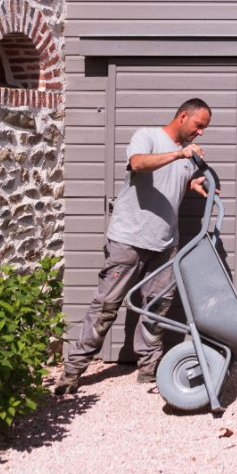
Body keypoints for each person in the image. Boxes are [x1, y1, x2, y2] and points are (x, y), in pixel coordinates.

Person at [55, 98, 212, 394]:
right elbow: (138, 163)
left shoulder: (186, 159)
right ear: (182, 117)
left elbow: (172, 180)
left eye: (204, 128)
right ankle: (72, 373)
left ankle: (149, 372)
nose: (201, 132)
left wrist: (191, 182)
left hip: (165, 244)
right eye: (199, 125)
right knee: (105, 307)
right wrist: (180, 155)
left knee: (156, 309)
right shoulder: (148, 137)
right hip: (128, 240)